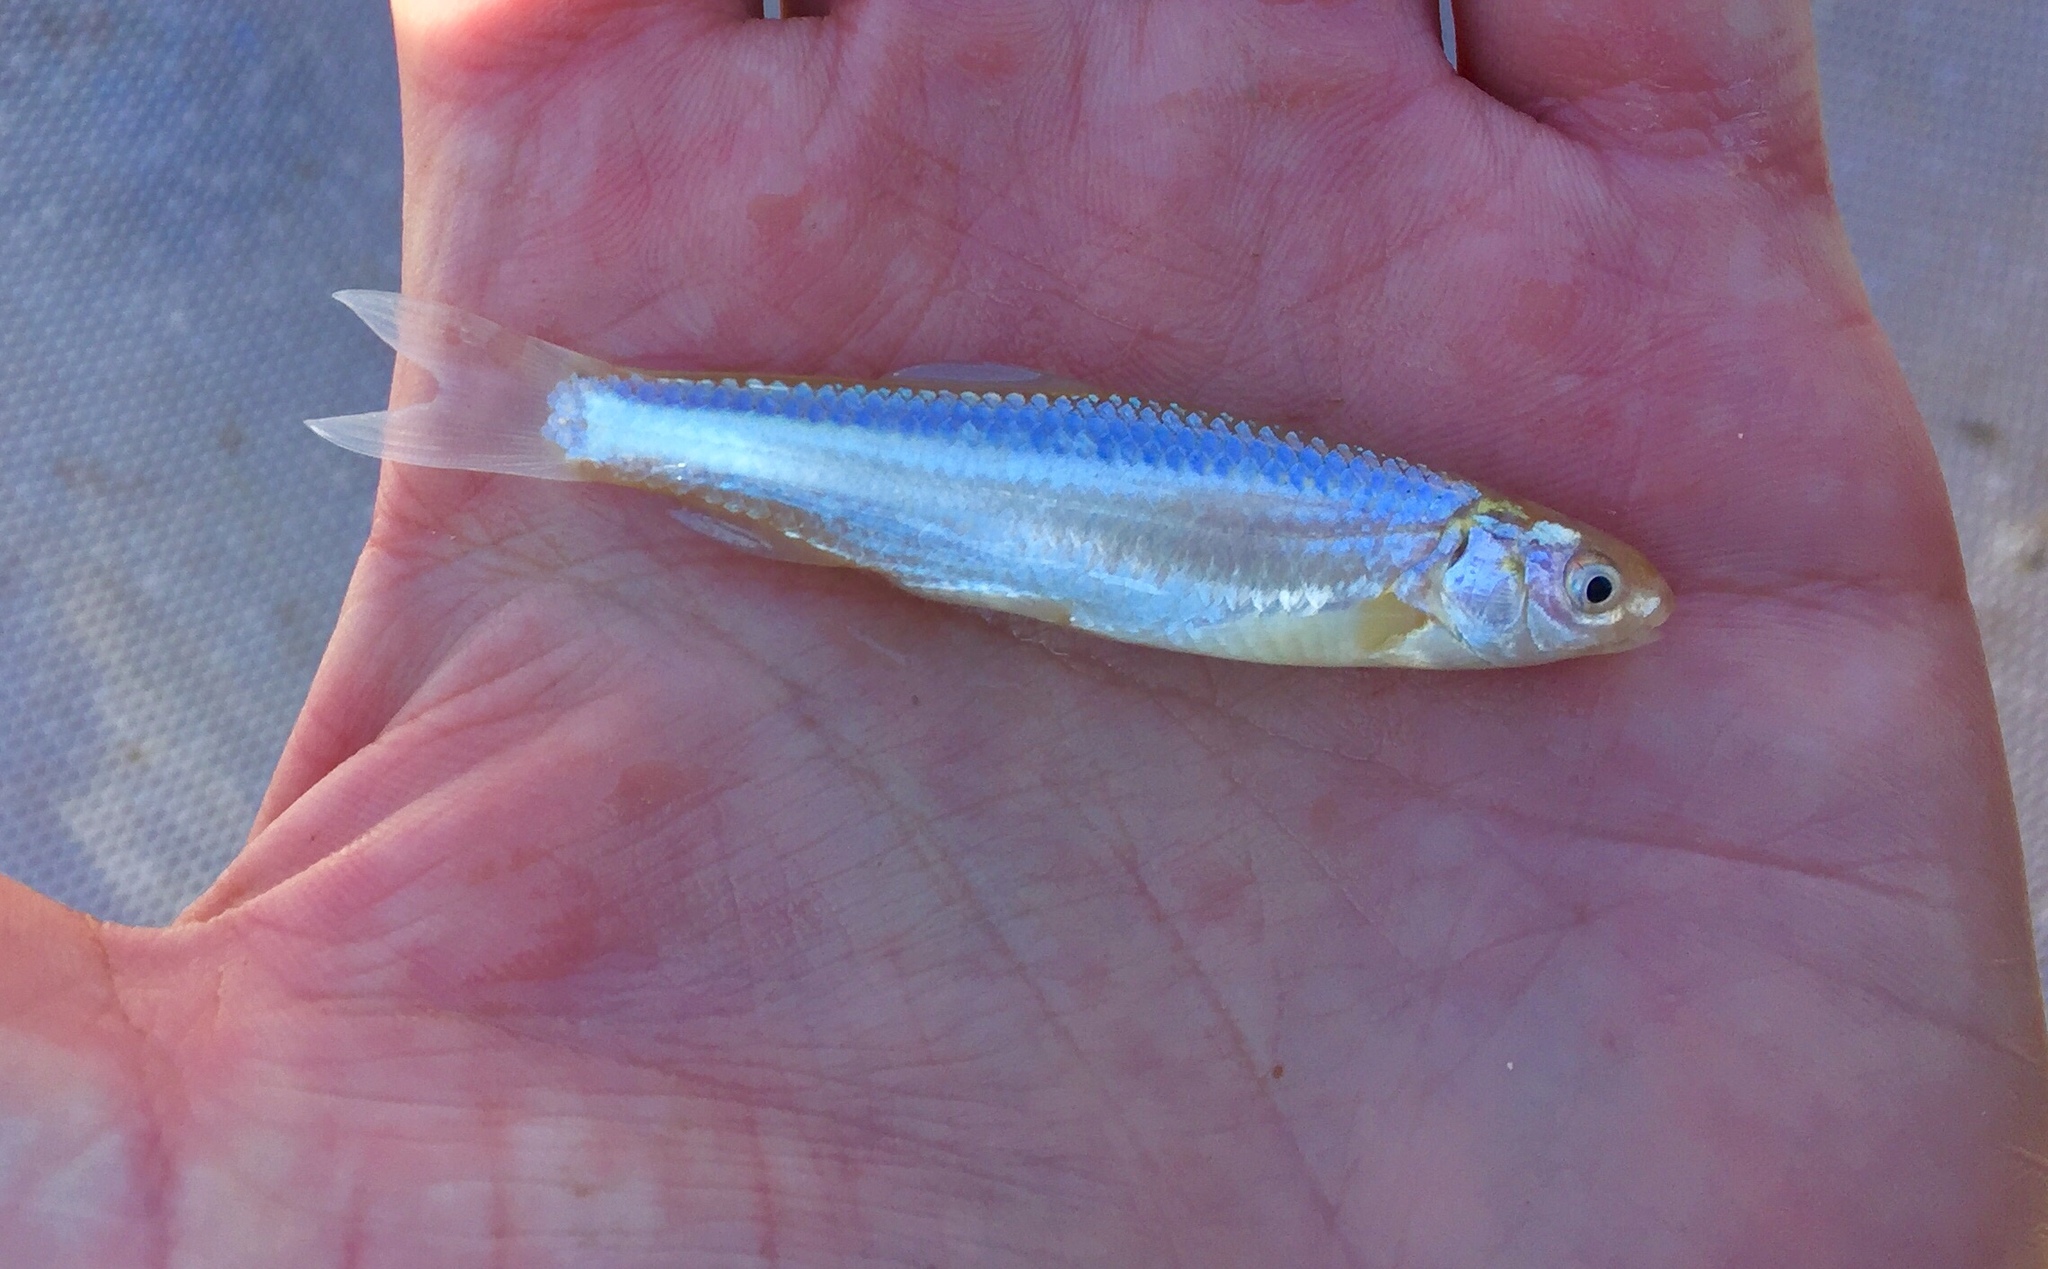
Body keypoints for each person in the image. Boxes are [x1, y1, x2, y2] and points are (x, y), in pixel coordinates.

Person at [4, 0, 2042, 1263]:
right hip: (854, 461)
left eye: (1591, 592)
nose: (1599, 613)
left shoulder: (1421, 573)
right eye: (1585, 588)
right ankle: (574, 414)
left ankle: (574, 415)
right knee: (820, 480)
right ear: (1490, 566)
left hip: (936, 503)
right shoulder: (1409, 565)